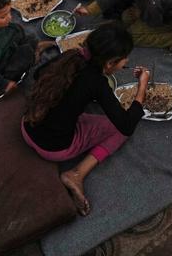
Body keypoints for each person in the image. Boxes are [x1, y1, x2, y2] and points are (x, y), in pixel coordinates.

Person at [21, 25, 151, 216]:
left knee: (72, 109)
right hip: (54, 148)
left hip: (27, 126)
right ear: (109, 64)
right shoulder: (97, 82)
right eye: (125, 59)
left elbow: (38, 74)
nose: (127, 61)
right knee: (118, 130)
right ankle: (76, 174)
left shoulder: (72, 55)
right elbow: (126, 124)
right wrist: (142, 87)